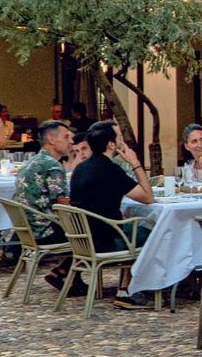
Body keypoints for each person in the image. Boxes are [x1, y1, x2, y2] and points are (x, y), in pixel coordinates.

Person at [66, 122, 158, 307]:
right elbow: (148, 197)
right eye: (118, 138)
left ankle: (133, 285)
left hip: (83, 239)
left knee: (132, 229)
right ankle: (127, 289)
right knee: (152, 231)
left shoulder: (81, 168)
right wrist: (135, 163)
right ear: (110, 144)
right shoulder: (110, 170)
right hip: (106, 240)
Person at [13, 120, 79, 292]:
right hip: (45, 231)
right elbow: (63, 204)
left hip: (28, 229)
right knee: (94, 231)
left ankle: (67, 275)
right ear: (51, 139)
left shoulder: (32, 161)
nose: (70, 141)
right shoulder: (52, 166)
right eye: (66, 137)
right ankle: (64, 272)